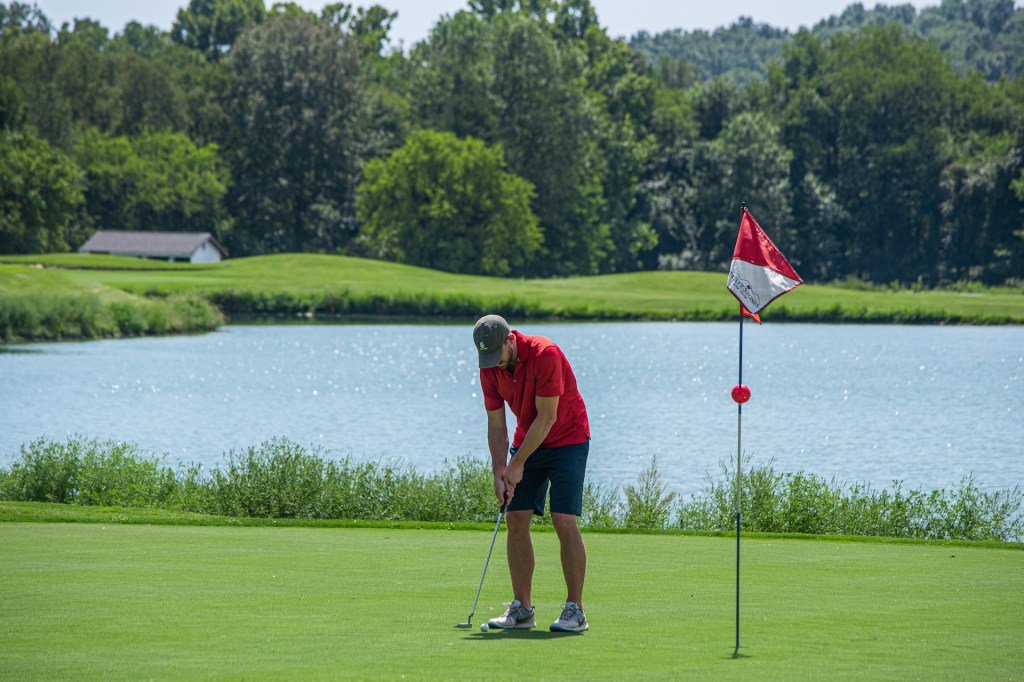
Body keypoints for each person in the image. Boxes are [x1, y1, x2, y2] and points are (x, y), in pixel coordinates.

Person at [472, 314, 592, 633]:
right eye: (486, 358)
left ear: (510, 340)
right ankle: (522, 609)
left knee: (563, 519)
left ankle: (575, 610)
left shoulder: (544, 353)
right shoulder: (489, 367)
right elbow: (497, 424)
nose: (492, 363)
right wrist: (500, 470)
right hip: (528, 440)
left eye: (496, 355)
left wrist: (517, 463)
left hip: (568, 437)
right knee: (516, 517)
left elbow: (547, 417)